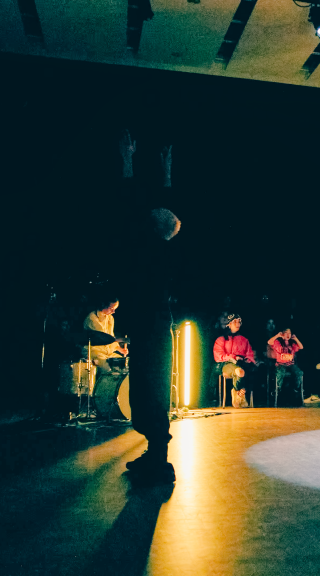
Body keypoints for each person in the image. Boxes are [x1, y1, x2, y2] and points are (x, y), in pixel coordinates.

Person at [118, 130, 181, 484]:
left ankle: (159, 460)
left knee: (149, 392)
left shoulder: (150, 251)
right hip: (154, 327)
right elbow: (158, 209)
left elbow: (130, 206)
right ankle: (156, 456)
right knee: (150, 391)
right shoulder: (162, 249)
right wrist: (166, 172)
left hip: (150, 328)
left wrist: (127, 160)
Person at [213, 313, 258, 408]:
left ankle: (239, 393)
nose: (237, 324)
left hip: (242, 364)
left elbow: (250, 354)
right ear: (228, 324)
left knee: (248, 371)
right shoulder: (221, 339)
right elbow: (218, 356)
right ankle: (239, 394)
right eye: (234, 322)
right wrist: (233, 357)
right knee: (239, 371)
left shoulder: (244, 339)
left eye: (239, 322)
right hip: (227, 364)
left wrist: (247, 360)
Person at [83, 296, 129, 373]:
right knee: (108, 370)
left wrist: (119, 349)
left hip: (108, 353)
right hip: (95, 352)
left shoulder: (110, 318)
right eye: (111, 308)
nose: (114, 311)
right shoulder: (92, 318)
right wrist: (123, 340)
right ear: (103, 305)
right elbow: (104, 338)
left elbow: (111, 335)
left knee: (124, 365)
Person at [269, 328, 305, 407]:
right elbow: (269, 342)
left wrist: (295, 338)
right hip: (281, 364)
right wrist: (278, 335)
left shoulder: (292, 344)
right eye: (286, 333)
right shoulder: (278, 343)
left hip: (291, 364)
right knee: (280, 373)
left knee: (299, 372)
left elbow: (301, 347)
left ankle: (296, 389)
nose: (288, 335)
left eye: (289, 333)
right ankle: (278, 389)